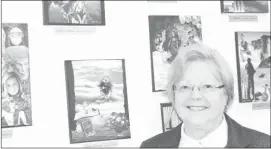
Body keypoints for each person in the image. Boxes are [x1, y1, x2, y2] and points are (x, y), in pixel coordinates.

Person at [140, 43, 270, 148]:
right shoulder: (150, 146)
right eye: (184, 87)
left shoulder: (263, 145)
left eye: (207, 86)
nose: (195, 96)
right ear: (173, 95)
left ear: (227, 95)